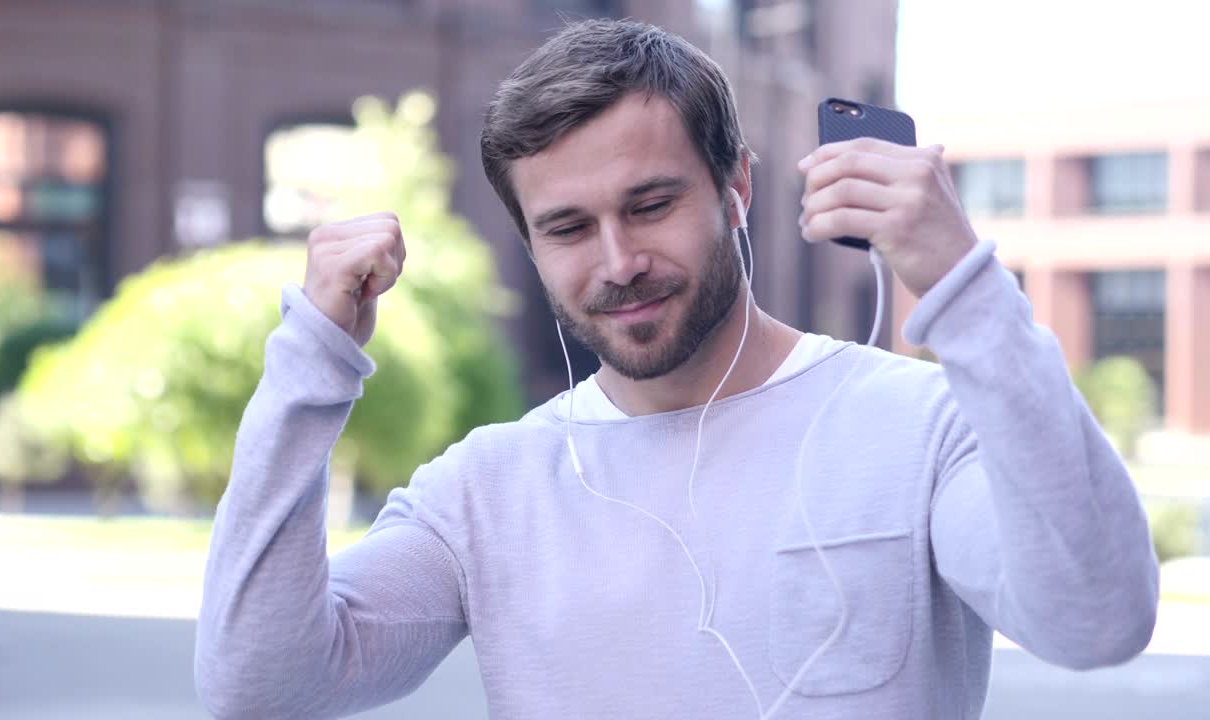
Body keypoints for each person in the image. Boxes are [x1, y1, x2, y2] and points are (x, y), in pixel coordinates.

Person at [194, 18, 1158, 720]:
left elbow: (1096, 620)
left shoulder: (919, 425)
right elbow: (261, 683)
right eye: (568, 227)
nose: (617, 263)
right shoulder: (485, 489)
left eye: (650, 204)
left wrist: (964, 287)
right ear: (530, 247)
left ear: (735, 185)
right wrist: (310, 363)